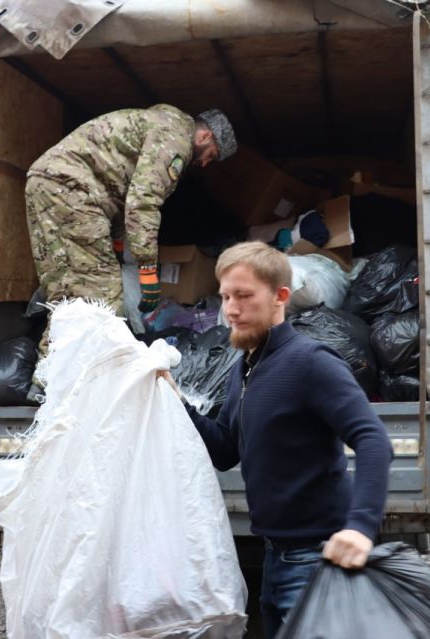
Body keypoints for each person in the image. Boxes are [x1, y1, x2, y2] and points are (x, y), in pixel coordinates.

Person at [162, 242, 393, 637]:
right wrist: (175, 399)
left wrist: (360, 526)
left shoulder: (311, 361)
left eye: (244, 296)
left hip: (316, 563)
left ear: (280, 297)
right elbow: (223, 451)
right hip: (275, 559)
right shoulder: (245, 369)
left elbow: (373, 439)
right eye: (225, 297)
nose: (230, 309)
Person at [25, 105, 237, 320]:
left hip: (48, 183)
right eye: (211, 155)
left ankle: (57, 351)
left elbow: (120, 195)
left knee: (64, 287)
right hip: (74, 190)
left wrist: (117, 247)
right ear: (205, 136)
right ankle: (94, 352)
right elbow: (143, 202)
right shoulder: (176, 140)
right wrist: (147, 271)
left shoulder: (163, 122)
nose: (204, 163)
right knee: (103, 294)